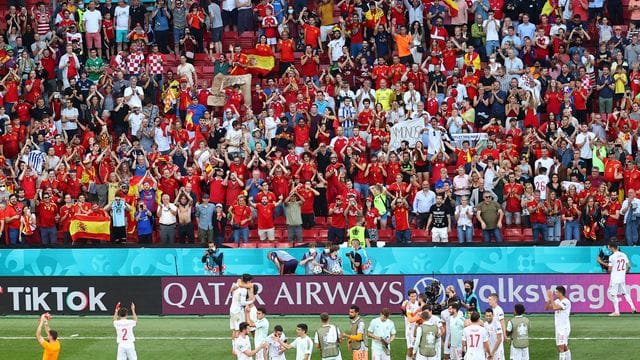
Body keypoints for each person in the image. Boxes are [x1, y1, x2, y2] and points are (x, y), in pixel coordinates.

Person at [597, 242, 637, 316]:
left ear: (612, 248)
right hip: (622, 277)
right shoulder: (623, 254)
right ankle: (633, 307)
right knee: (625, 293)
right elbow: (629, 266)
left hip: (614, 278)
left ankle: (617, 311)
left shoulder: (612, 257)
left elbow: (609, 269)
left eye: (609, 247)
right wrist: (625, 272)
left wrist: (608, 269)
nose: (608, 248)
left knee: (612, 294)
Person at [545, 286, 572, 360]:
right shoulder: (557, 301)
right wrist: (549, 299)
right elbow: (547, 308)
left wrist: (551, 298)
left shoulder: (566, 301)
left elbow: (555, 308)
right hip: (558, 327)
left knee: (561, 346)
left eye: (556, 292)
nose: (555, 293)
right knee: (564, 346)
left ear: (560, 292)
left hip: (564, 327)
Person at [401, 289, 421, 360]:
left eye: (415, 296)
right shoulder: (407, 305)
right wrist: (417, 311)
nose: (414, 297)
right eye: (412, 296)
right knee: (410, 348)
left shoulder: (418, 303)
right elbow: (410, 317)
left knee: (417, 348)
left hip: (418, 328)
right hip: (410, 329)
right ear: (409, 297)